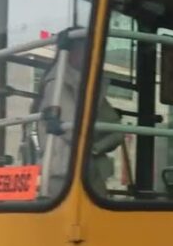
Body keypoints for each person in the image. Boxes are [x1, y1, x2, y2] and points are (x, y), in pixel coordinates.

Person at [36, 32, 124, 197]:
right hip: (64, 172)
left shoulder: (88, 85)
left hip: (87, 167)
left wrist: (95, 147)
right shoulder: (57, 82)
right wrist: (99, 142)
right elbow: (73, 129)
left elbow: (116, 130)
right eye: (84, 50)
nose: (89, 55)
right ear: (70, 53)